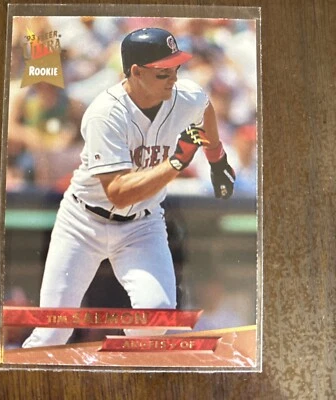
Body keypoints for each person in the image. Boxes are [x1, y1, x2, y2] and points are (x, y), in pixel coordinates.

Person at [22, 27, 235, 348]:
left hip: (142, 226)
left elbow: (204, 108)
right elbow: (119, 193)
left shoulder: (183, 96)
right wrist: (176, 163)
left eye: (176, 68)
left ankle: (120, 367)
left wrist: (217, 160)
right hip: (83, 223)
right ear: (136, 72)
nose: (173, 78)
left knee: (154, 321)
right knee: (54, 330)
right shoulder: (105, 113)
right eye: (163, 72)